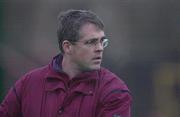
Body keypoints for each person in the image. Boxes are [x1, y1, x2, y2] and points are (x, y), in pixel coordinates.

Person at [0, 9, 132, 117]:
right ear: (67, 47)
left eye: (102, 42)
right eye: (91, 42)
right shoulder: (28, 83)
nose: (100, 48)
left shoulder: (114, 91)